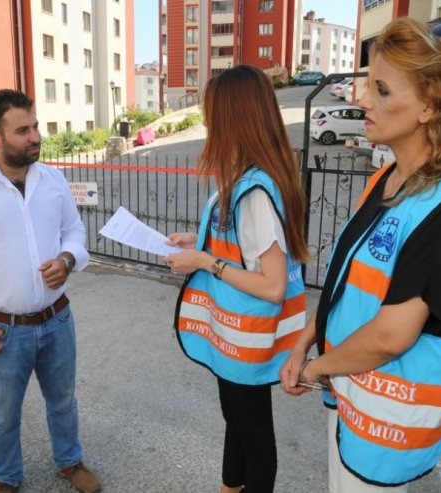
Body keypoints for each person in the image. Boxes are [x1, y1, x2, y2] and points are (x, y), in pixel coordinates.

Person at [279, 17, 441, 492]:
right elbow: (349, 279)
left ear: (429, 106)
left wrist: (315, 367)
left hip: (390, 419)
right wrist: (306, 338)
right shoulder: (389, 180)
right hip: (354, 394)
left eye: (381, 89)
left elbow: (391, 336)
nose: (362, 100)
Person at [0, 89, 99, 493]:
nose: (35, 137)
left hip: (58, 319)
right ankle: (7, 478)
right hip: (2, 327)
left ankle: (69, 461)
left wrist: (66, 260)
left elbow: (75, 231)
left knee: (63, 401)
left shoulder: (53, 179)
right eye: (23, 130)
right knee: (4, 413)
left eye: (36, 126)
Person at [164, 65, 309, 493]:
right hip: (237, 339)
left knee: (254, 435)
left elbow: (272, 285)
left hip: (247, 338)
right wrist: (198, 240)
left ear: (233, 118)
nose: (206, 122)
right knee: (239, 421)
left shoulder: (254, 191)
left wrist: (206, 263)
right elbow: (240, 244)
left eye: (212, 113)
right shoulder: (248, 178)